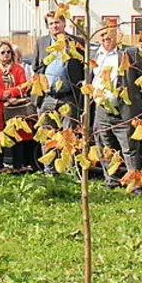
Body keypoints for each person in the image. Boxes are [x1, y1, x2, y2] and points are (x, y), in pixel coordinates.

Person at [90, 26, 142, 191]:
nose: (105, 38)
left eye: (109, 35)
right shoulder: (95, 55)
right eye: (102, 35)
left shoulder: (130, 53)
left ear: (116, 36)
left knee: (129, 148)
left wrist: (133, 95)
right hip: (102, 110)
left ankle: (135, 185)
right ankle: (112, 182)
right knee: (105, 147)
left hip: (125, 110)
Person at [33, 12, 85, 173]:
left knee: (69, 136)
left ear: (63, 24)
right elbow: (36, 67)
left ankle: (69, 172)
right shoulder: (41, 42)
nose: (54, 26)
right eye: (51, 24)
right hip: (47, 97)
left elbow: (83, 69)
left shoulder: (77, 42)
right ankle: (50, 172)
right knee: (47, 135)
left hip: (68, 97)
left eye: (57, 22)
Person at [0, 41, 35, 173]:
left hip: (14, 107)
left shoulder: (18, 68)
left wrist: (12, 94)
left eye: (8, 52)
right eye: (3, 52)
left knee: (17, 135)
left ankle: (18, 166)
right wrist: (3, 95)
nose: (6, 55)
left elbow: (23, 86)